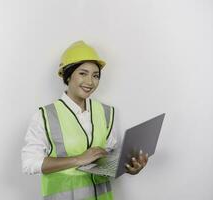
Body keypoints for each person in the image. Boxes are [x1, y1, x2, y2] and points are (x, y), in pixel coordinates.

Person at [21, 41, 148, 200]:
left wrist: (130, 167)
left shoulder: (106, 112)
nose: (90, 82)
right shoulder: (45, 115)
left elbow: (109, 156)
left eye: (95, 75)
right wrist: (78, 159)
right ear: (68, 75)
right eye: (83, 73)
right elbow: (29, 163)